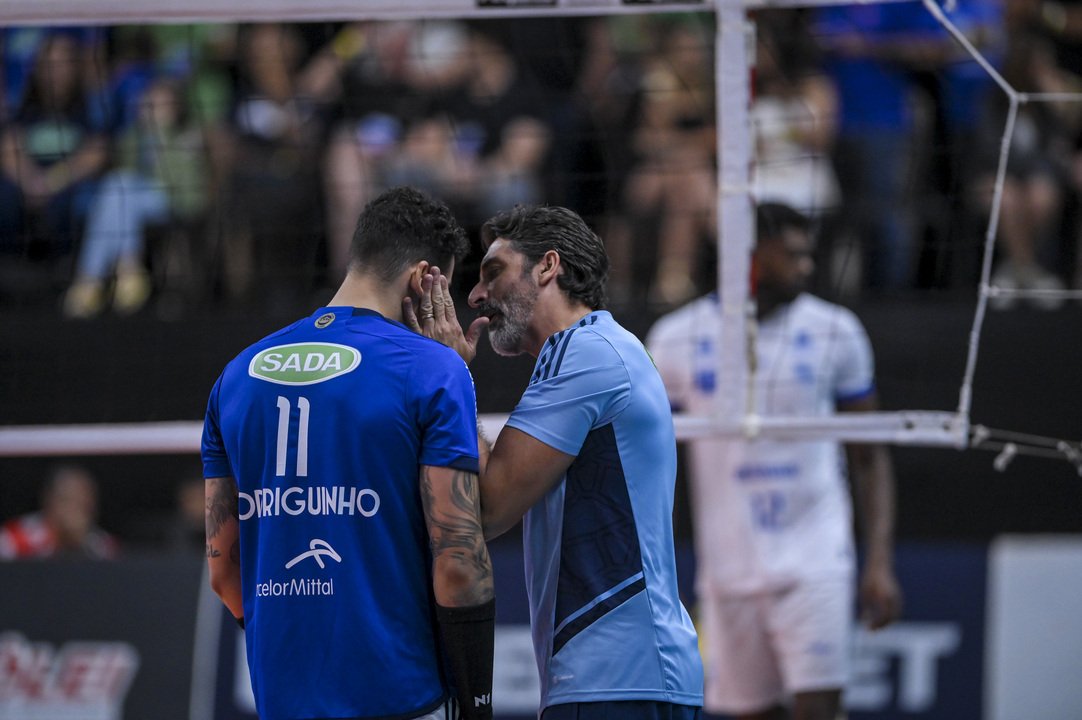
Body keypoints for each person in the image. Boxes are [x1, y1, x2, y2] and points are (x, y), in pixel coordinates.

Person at [201, 186, 495, 720]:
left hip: (282, 699)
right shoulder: (432, 368)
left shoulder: (236, 376)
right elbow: (458, 562)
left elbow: (223, 571)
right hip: (401, 695)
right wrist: (477, 702)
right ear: (423, 280)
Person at [405, 204, 703, 720]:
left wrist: (448, 373)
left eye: (493, 272)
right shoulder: (599, 349)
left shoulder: (584, 352)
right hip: (630, 675)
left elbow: (488, 509)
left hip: (616, 680)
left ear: (548, 267)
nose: (475, 296)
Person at [645, 202, 902, 720]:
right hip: (729, 567)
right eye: (793, 255)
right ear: (750, 258)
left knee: (819, 710)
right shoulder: (675, 338)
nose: (807, 267)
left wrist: (877, 561)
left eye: (809, 254)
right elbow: (653, 469)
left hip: (817, 557)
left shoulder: (836, 330)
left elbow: (869, 457)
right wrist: (657, 574)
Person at [0, 464, 118, 560]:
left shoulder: (102, 546)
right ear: (49, 500)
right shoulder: (15, 538)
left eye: (83, 505)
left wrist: (79, 545)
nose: (74, 512)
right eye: (68, 500)